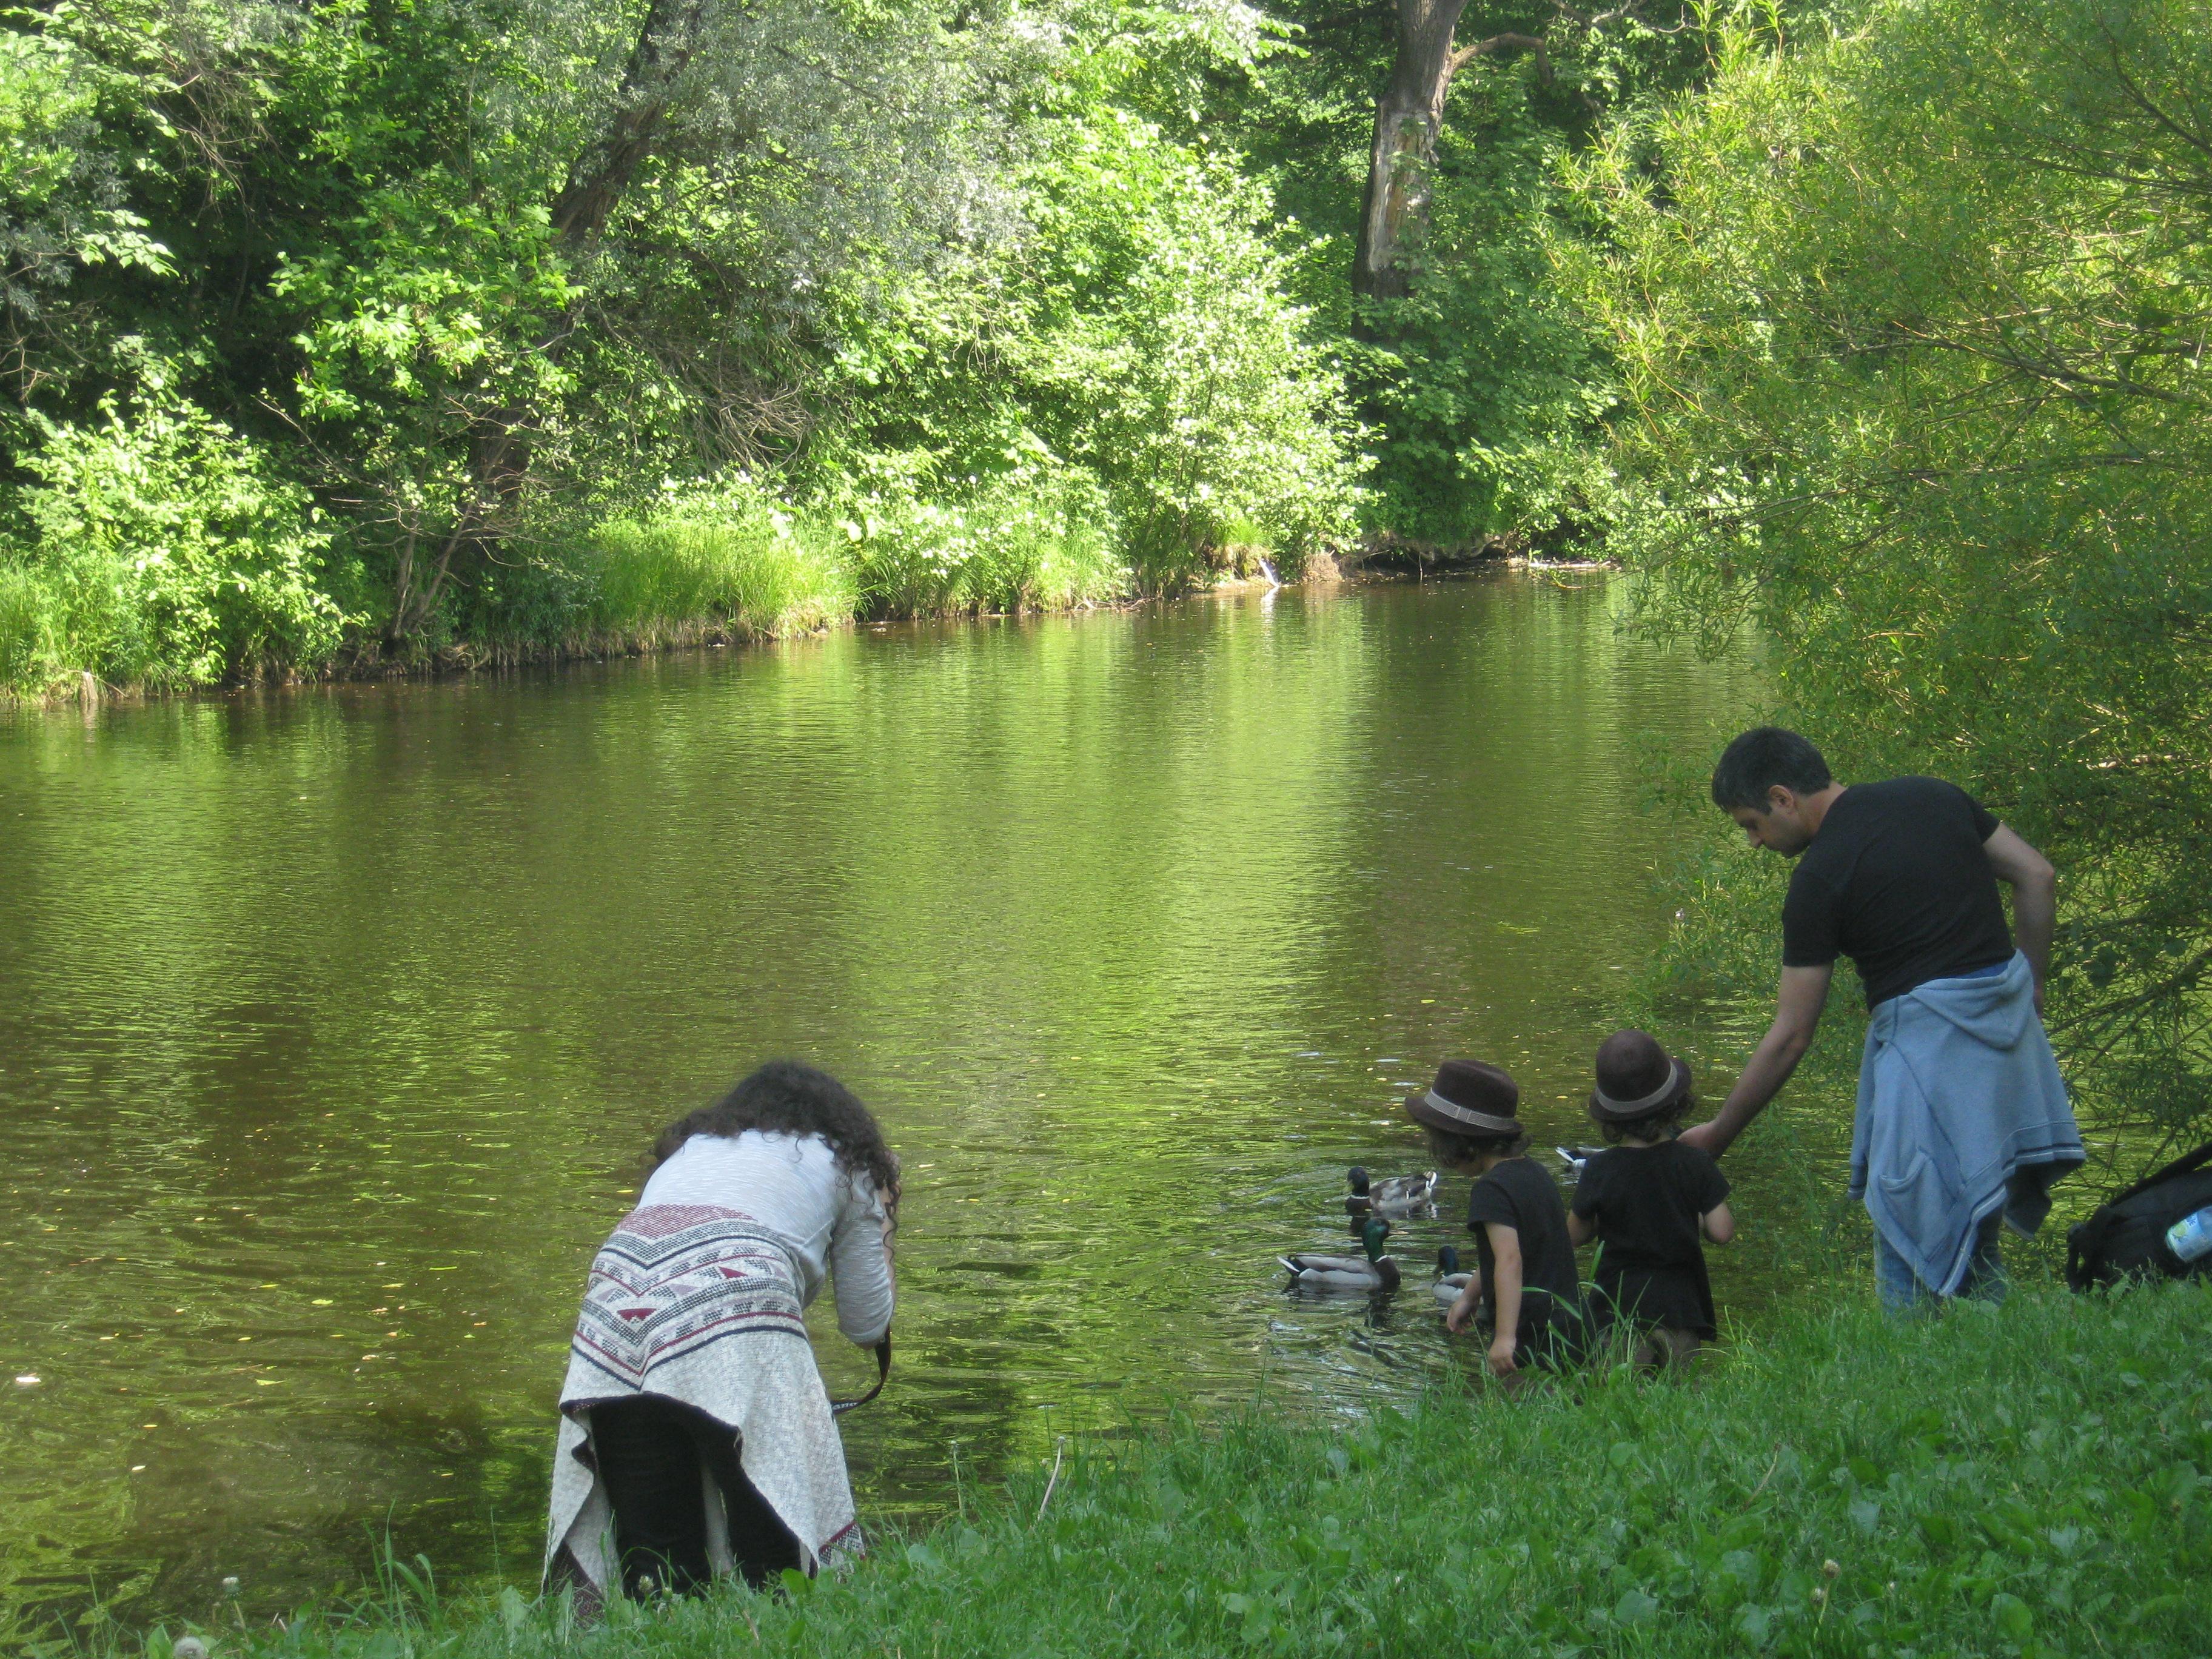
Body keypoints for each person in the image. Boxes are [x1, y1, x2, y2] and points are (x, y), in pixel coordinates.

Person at [1680, 728, 2083, 1313]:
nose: (1754, 842)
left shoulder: (1820, 878)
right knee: (1976, 1228)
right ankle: (1992, 1341)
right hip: (2005, 1057)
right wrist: (2031, 983)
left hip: (1928, 1067)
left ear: (1782, 797)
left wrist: (1718, 1134)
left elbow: (1791, 1036)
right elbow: (2037, 875)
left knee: (1908, 1237)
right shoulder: (1935, 795)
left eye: (1752, 824)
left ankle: (1916, 1360)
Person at [543, 1061, 897, 1609]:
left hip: (617, 1312)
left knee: (657, 1568)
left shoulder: (693, 1150)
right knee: (777, 1549)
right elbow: (867, 1325)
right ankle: (780, 1628)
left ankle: (665, 1630)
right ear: (841, 1123)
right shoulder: (847, 1163)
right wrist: (885, 1211)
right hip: (735, 1306)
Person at [1406, 1059, 1584, 1379]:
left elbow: (1509, 1259)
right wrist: (1470, 1296)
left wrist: (1505, 1338)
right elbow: (1503, 1253)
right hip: (1568, 1322)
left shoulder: (1490, 1189)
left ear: (1461, 1142)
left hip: (1531, 1334)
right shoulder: (1536, 1173)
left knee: (1524, 1401)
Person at [1567, 1030, 1734, 1367]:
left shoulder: (1600, 1168)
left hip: (1617, 1311)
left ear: (1609, 1115)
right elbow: (1722, 1231)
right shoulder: (1694, 1162)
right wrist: (1692, 1215)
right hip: (1680, 1310)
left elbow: (1573, 1235)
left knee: (1619, 1390)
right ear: (1676, 1103)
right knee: (1678, 1392)